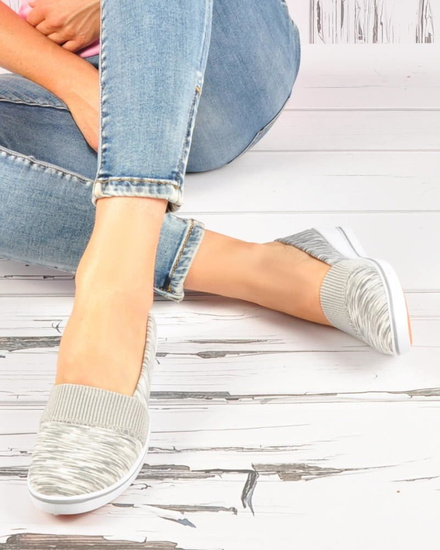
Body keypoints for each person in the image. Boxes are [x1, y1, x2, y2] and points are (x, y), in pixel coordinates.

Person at [0, 0, 412, 515]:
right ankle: (265, 269)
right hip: (80, 88)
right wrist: (75, 83)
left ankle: (112, 300)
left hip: (228, 63)